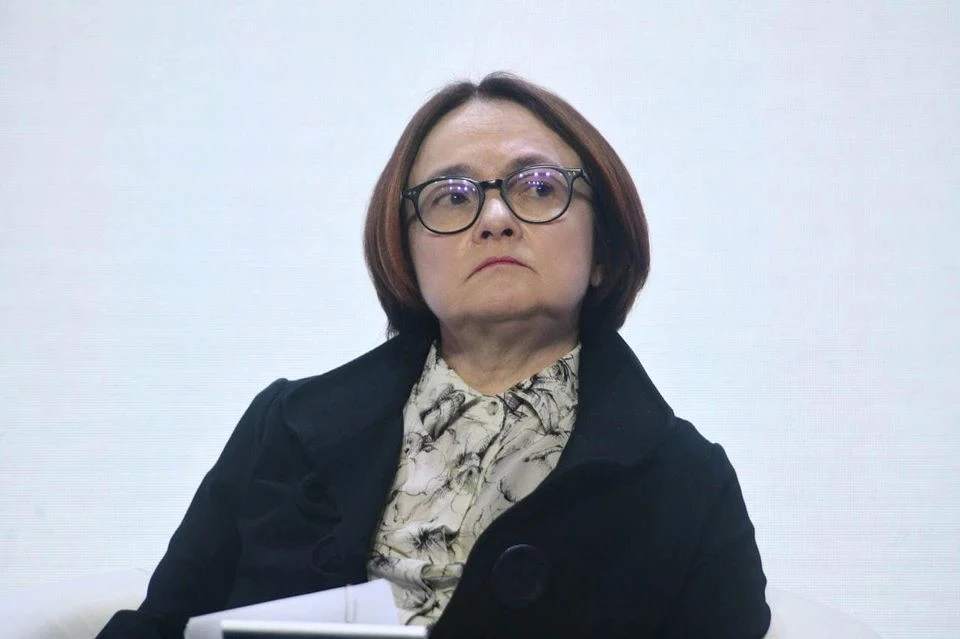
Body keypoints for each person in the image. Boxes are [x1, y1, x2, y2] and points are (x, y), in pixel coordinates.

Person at [98, 72, 770, 638]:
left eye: (538, 186)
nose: (495, 218)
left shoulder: (688, 485)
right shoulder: (284, 428)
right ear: (406, 252)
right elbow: (159, 627)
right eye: (452, 197)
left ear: (604, 249)